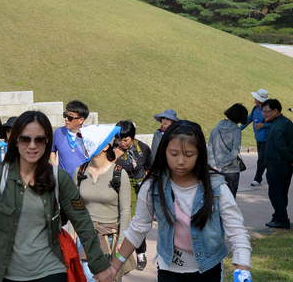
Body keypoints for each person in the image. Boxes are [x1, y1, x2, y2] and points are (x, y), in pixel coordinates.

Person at [0, 111, 116, 282]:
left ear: (47, 142)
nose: (32, 145)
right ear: (16, 141)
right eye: (25, 138)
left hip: (50, 271)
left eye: (39, 139)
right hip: (7, 273)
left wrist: (99, 265)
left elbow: (83, 222)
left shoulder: (60, 178)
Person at [108, 120, 252, 282]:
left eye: (189, 155)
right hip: (169, 269)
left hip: (208, 268)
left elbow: (237, 231)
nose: (181, 161)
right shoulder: (152, 187)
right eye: (174, 154)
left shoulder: (216, 187)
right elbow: (137, 228)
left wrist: (242, 270)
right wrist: (114, 267)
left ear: (199, 154)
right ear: (164, 153)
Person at [76, 124, 131, 282]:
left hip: (111, 239)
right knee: (89, 278)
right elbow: (74, 207)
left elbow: (125, 211)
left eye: (89, 141)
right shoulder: (80, 171)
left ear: (106, 145)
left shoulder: (119, 174)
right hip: (85, 237)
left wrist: (121, 241)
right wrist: (72, 235)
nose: (85, 145)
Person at [112, 120, 152, 271]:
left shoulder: (143, 148)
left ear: (133, 137)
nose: (122, 143)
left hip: (140, 191)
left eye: (126, 140)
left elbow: (150, 168)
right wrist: (114, 156)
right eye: (119, 139)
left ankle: (140, 252)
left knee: (137, 222)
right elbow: (105, 168)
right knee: (126, 221)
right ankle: (122, 256)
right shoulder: (111, 150)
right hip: (121, 189)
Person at [262, 99, 293, 229]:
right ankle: (278, 216)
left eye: (266, 111)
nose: (264, 114)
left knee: (276, 193)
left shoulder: (279, 125)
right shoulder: (283, 122)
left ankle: (282, 220)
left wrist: (291, 159)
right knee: (281, 192)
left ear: (275, 111)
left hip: (277, 163)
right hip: (281, 163)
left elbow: (280, 144)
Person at [206, 104, 249, 198]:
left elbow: (210, 148)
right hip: (231, 170)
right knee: (230, 201)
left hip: (215, 170)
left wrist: (214, 166)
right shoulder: (236, 131)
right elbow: (234, 153)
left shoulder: (216, 128)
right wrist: (222, 167)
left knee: (216, 199)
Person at [239, 89, 271, 186]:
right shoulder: (255, 108)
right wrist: (238, 129)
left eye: (256, 98)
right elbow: (249, 120)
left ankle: (258, 179)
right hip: (258, 138)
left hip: (267, 138)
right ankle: (269, 176)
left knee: (261, 159)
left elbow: (274, 124)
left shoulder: (268, 110)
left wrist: (263, 126)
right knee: (264, 159)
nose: (254, 99)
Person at [51, 100, 89, 176]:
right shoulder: (59, 132)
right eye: (65, 115)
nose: (66, 119)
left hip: (83, 180)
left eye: (70, 117)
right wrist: (53, 162)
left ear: (81, 120)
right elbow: (52, 150)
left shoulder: (90, 135)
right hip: (63, 181)